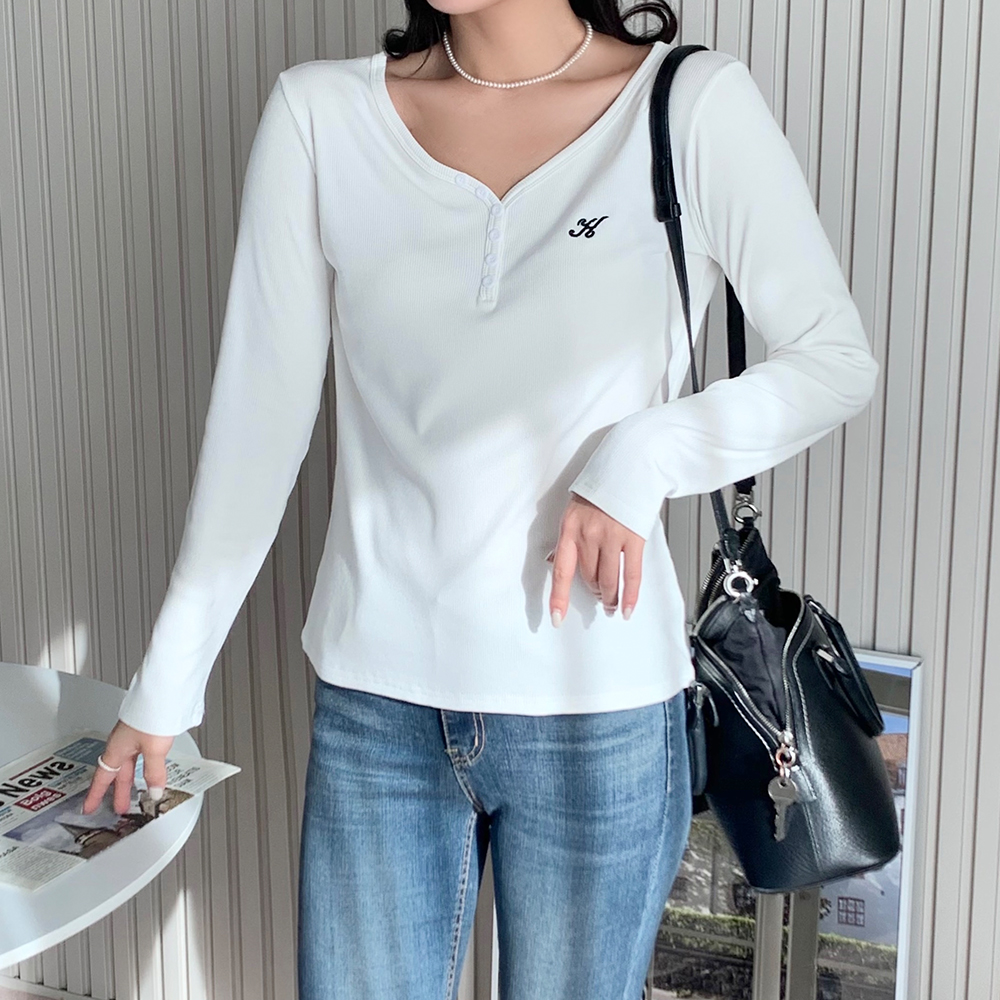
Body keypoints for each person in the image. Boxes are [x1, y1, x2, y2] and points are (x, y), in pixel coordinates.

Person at [82, 0, 880, 997]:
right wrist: (164, 685)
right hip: (376, 713)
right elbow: (257, 425)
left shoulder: (689, 105)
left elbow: (833, 361)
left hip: (600, 718)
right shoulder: (320, 118)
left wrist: (642, 455)